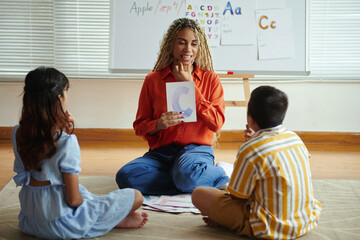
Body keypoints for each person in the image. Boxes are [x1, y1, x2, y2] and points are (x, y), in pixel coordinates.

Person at [11, 67, 148, 239]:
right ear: (59, 98)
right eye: (65, 92)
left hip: (30, 222)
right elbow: (74, 201)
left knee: (83, 190)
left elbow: (43, 163)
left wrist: (59, 128)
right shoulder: (67, 143)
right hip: (62, 226)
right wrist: (92, 207)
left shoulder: (17, 133)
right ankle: (111, 220)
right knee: (136, 196)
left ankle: (106, 216)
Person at [115, 18, 229, 195]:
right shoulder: (153, 80)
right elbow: (139, 126)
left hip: (196, 151)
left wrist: (191, 86)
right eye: (181, 42)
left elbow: (217, 123)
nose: (188, 49)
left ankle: (219, 174)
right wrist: (158, 124)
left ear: (200, 48)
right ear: (171, 45)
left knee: (186, 174)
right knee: (126, 176)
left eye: (194, 44)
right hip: (161, 153)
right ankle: (185, 180)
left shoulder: (210, 79)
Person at [192, 86, 322, 239]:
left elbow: (236, 195)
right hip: (304, 221)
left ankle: (226, 221)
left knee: (199, 194)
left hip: (268, 228)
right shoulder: (295, 138)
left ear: (250, 118)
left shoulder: (250, 150)